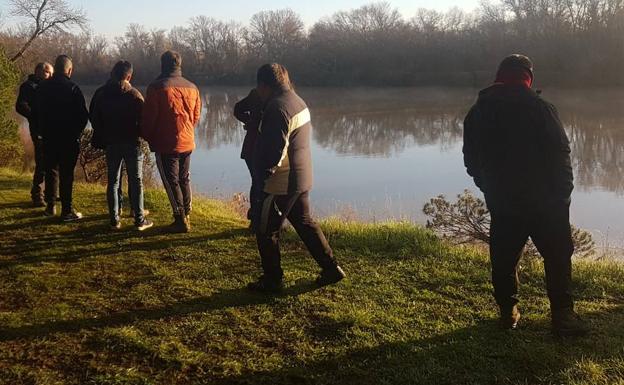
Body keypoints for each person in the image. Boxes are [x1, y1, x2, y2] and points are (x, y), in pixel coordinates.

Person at [463, 54, 589, 336]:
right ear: (528, 77)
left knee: (504, 259)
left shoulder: (477, 111)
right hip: (548, 201)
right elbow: (561, 154)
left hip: (504, 202)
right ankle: (563, 317)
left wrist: (489, 187)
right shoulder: (542, 108)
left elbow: (470, 159)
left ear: (499, 76)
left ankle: (508, 314)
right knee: (558, 257)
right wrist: (563, 194)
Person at [248, 63, 345, 293]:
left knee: (266, 232)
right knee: (304, 223)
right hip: (301, 176)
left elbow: (274, 152)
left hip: (281, 183)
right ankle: (331, 269)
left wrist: (262, 183)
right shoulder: (297, 101)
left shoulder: (277, 108)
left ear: (263, 85)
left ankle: (273, 281)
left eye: (259, 87)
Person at [89, 60, 153, 231]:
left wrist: (104, 133)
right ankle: (139, 219)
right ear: (129, 76)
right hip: (132, 143)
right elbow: (144, 121)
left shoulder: (101, 93)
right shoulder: (134, 95)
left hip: (111, 143)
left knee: (113, 181)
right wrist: (141, 134)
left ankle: (114, 219)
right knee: (136, 180)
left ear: (112, 73)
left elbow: (94, 118)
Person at [142, 50, 201, 233]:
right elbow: (196, 116)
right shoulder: (192, 87)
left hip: (166, 143)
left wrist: (147, 136)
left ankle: (180, 218)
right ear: (179, 65)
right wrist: (187, 131)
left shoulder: (156, 87)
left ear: (162, 65)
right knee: (184, 178)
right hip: (187, 141)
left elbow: (148, 118)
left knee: (171, 181)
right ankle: (187, 212)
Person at [34, 55, 88, 221]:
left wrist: (41, 131)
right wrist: (75, 132)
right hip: (68, 139)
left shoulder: (42, 88)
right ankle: (67, 210)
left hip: (48, 137)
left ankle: (50, 207)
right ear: (69, 70)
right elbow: (83, 116)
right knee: (67, 174)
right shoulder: (73, 88)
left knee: (51, 171)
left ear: (55, 68)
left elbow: (35, 113)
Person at [15, 62, 56, 207]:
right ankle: (37, 194)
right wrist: (35, 116)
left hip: (51, 130)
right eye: (49, 73)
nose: (51, 76)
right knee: (42, 161)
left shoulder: (48, 87)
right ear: (40, 72)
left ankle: (50, 192)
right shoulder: (28, 86)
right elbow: (20, 105)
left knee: (52, 161)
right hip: (38, 130)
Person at [233, 88, 263, 227]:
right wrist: (252, 123)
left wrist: (250, 122)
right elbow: (238, 109)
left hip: (252, 147)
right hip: (256, 147)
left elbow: (238, 110)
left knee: (257, 182)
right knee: (259, 183)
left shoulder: (257, 92)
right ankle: (257, 220)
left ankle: (256, 218)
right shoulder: (269, 96)